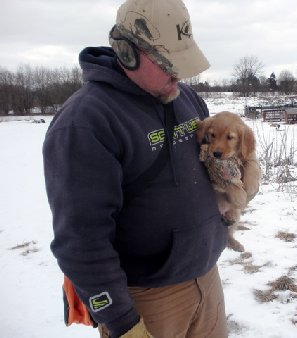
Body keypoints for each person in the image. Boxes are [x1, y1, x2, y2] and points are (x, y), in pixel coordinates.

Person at [43, 0, 229, 337]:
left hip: (207, 280)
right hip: (147, 299)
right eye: (167, 62)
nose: (179, 72)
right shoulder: (85, 122)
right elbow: (81, 238)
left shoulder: (184, 97)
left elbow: (207, 168)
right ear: (126, 51)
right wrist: (121, 322)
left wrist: (234, 180)